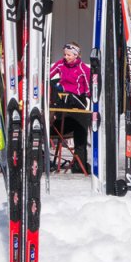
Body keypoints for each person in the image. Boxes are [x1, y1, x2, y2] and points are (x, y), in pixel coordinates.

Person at [48, 42, 93, 172]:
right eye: (65, 54)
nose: (66, 57)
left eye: (69, 55)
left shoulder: (83, 69)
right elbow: (47, 76)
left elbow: (89, 89)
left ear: (76, 55)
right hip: (63, 100)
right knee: (56, 88)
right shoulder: (61, 64)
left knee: (81, 125)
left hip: (77, 101)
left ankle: (80, 164)